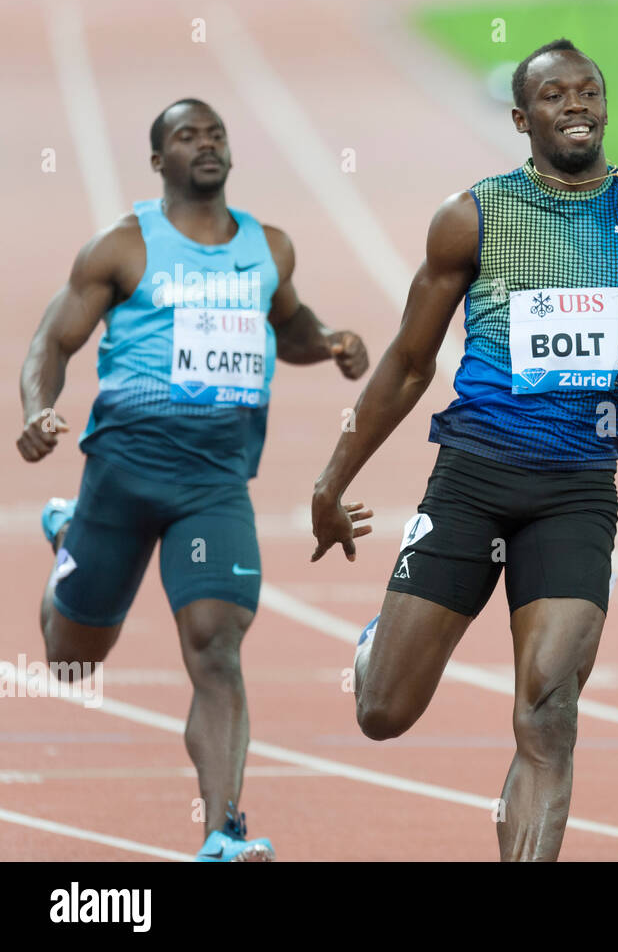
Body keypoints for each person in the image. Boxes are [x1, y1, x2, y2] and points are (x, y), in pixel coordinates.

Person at [309, 39, 618, 861]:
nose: (576, 105)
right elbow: (406, 365)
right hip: (472, 475)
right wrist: (333, 484)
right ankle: (378, 645)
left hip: (578, 490)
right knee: (383, 712)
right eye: (554, 95)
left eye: (589, 91)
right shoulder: (472, 216)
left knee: (547, 710)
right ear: (521, 117)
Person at [17, 98, 369, 861]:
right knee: (73, 660)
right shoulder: (122, 248)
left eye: (215, 133)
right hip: (122, 472)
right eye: (186, 135)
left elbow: (289, 324)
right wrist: (40, 410)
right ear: (158, 161)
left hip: (214, 481)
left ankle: (221, 829)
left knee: (216, 644)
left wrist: (331, 341)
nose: (205, 144)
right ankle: (71, 532)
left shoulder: (269, 247)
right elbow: (53, 338)